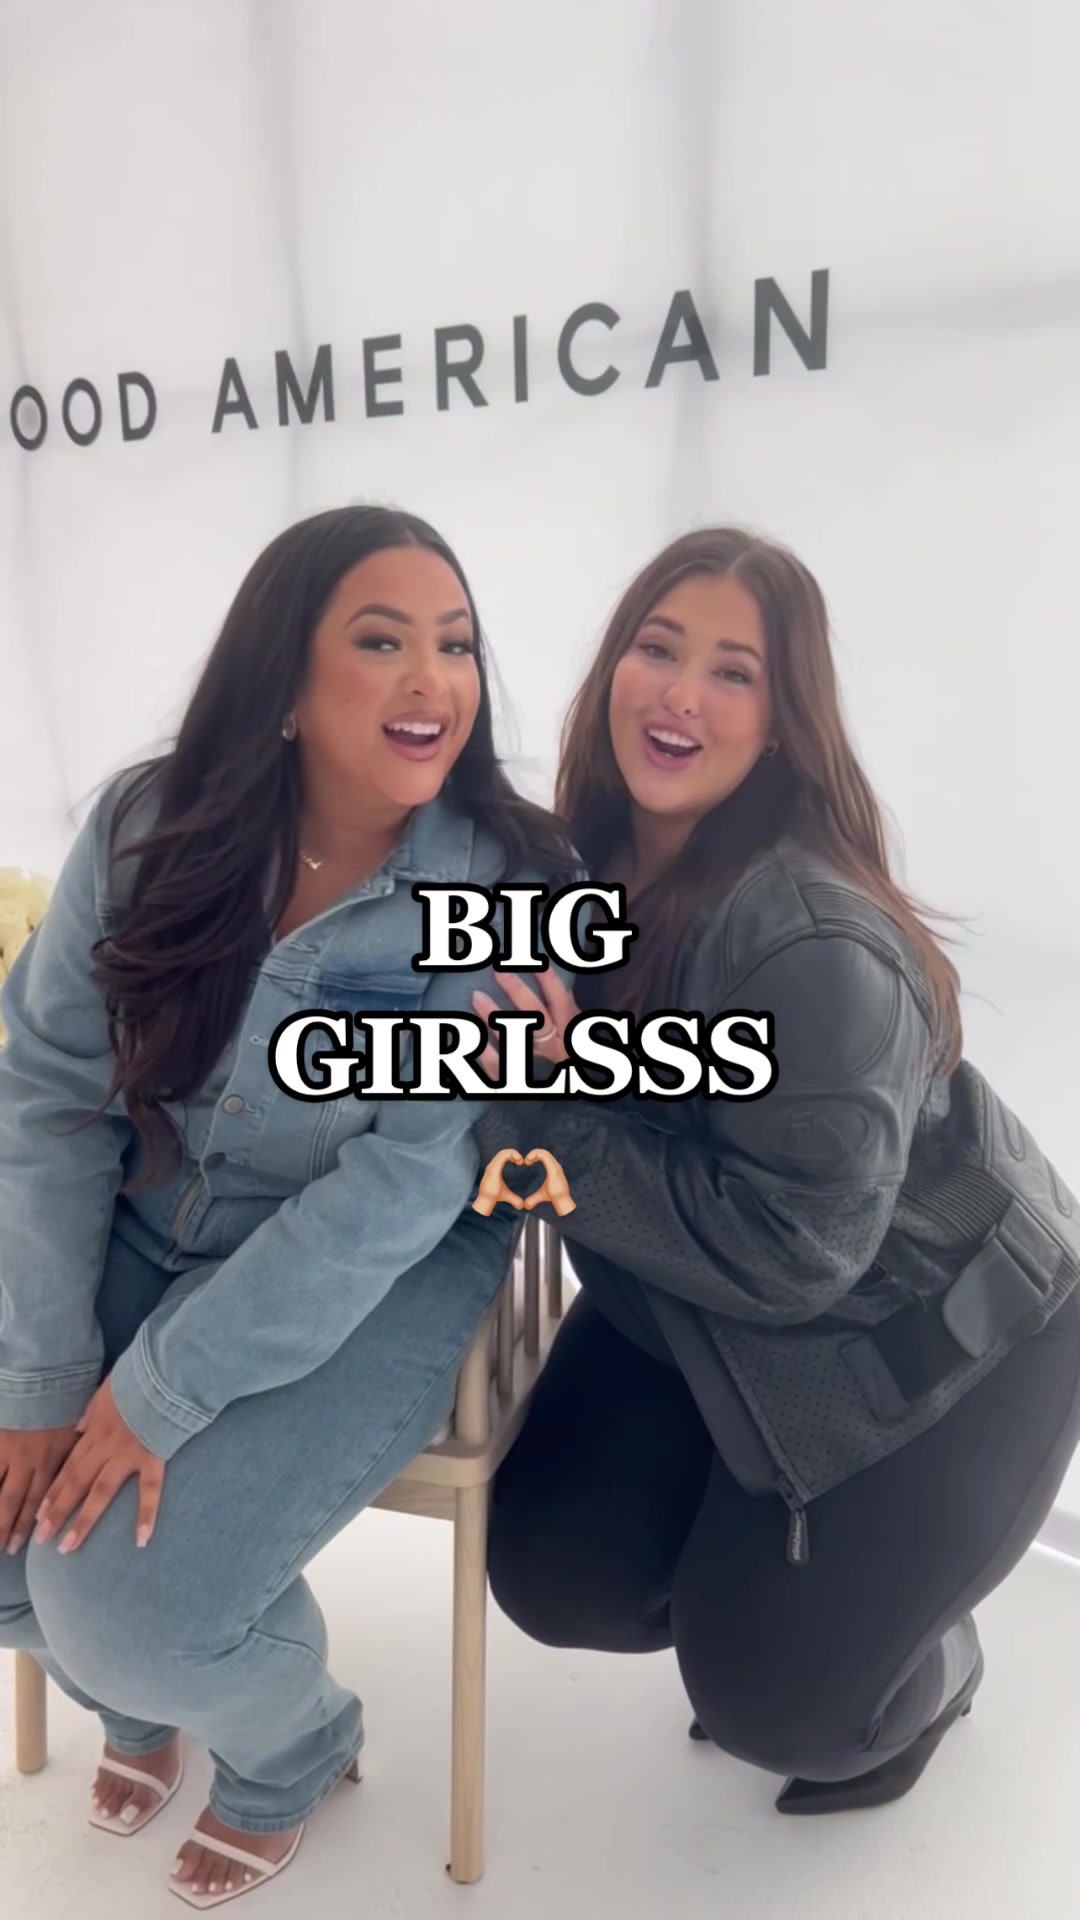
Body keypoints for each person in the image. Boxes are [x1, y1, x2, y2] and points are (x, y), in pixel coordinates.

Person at [0, 505, 576, 1906]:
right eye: (382, 642)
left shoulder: (506, 885)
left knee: (128, 1609)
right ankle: (138, 1699)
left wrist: (159, 1388)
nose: (432, 680)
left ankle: (289, 1747)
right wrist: (44, 1380)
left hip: (379, 1268)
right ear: (284, 679)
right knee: (19, 1538)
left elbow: (400, 1187)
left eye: (456, 645)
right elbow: (51, 1096)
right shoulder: (147, 829)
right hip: (150, 1212)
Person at [471, 527, 1080, 1817]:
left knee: (779, 1706)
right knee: (555, 1570)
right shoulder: (579, 867)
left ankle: (924, 1667)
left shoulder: (813, 941)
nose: (681, 694)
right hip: (715, 1304)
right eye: (658, 648)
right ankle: (764, 1576)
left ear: (783, 721)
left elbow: (799, 1257)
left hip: (945, 1332)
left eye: (734, 671)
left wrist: (544, 1109)